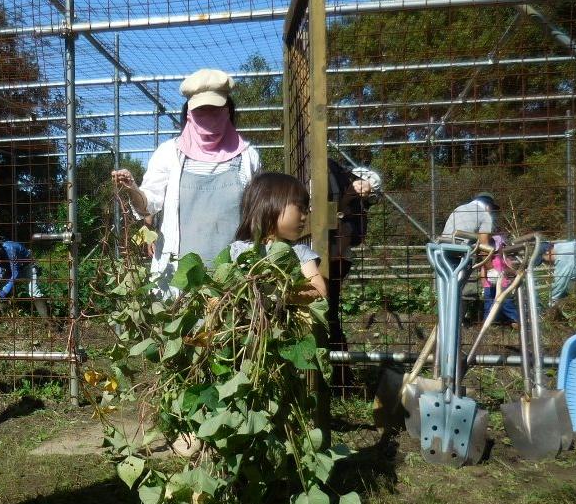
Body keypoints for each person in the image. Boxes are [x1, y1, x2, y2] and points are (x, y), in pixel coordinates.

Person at [227, 172, 325, 504]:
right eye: (299, 205)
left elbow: (318, 291)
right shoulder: (237, 252)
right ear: (270, 209)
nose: (305, 213)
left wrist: (277, 288)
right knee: (242, 435)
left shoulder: (301, 254)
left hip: (285, 366)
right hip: (245, 361)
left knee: (284, 439)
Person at [111, 68, 262, 295]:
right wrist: (132, 188)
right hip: (177, 279)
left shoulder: (248, 156)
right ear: (189, 112)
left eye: (216, 108)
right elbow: (147, 206)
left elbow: (259, 213)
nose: (209, 115)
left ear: (228, 110)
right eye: (202, 109)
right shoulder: (169, 153)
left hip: (235, 279)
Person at [229, 172, 327, 301]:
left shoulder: (300, 252)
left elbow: (320, 289)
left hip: (284, 318)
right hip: (248, 319)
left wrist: (286, 291)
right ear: (268, 205)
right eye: (300, 208)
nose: (304, 217)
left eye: (306, 210)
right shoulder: (239, 250)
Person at [324, 159, 382, 375]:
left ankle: (341, 376)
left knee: (329, 314)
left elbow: (372, 180)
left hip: (336, 258)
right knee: (328, 314)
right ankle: (340, 375)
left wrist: (365, 185)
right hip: (327, 256)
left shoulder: (340, 177)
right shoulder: (326, 176)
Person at [441, 192, 499, 323]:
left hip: (443, 252)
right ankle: (455, 325)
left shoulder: (459, 209)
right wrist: (490, 270)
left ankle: (446, 325)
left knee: (448, 290)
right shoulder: (485, 215)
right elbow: (484, 245)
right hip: (462, 255)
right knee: (461, 291)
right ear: (488, 206)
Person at [0, 238, 50, 318]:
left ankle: (48, 321)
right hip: (10, 269)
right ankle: (6, 319)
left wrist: (4, 291)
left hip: (27, 266)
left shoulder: (11, 249)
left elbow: (15, 273)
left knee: (34, 292)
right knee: (0, 293)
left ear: (0, 250)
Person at [482, 233, 520, 326]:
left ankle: (515, 320)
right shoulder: (487, 259)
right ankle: (488, 323)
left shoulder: (504, 258)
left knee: (506, 303)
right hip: (489, 285)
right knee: (489, 304)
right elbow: (483, 270)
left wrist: (512, 275)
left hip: (503, 284)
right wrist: (484, 282)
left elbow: (510, 269)